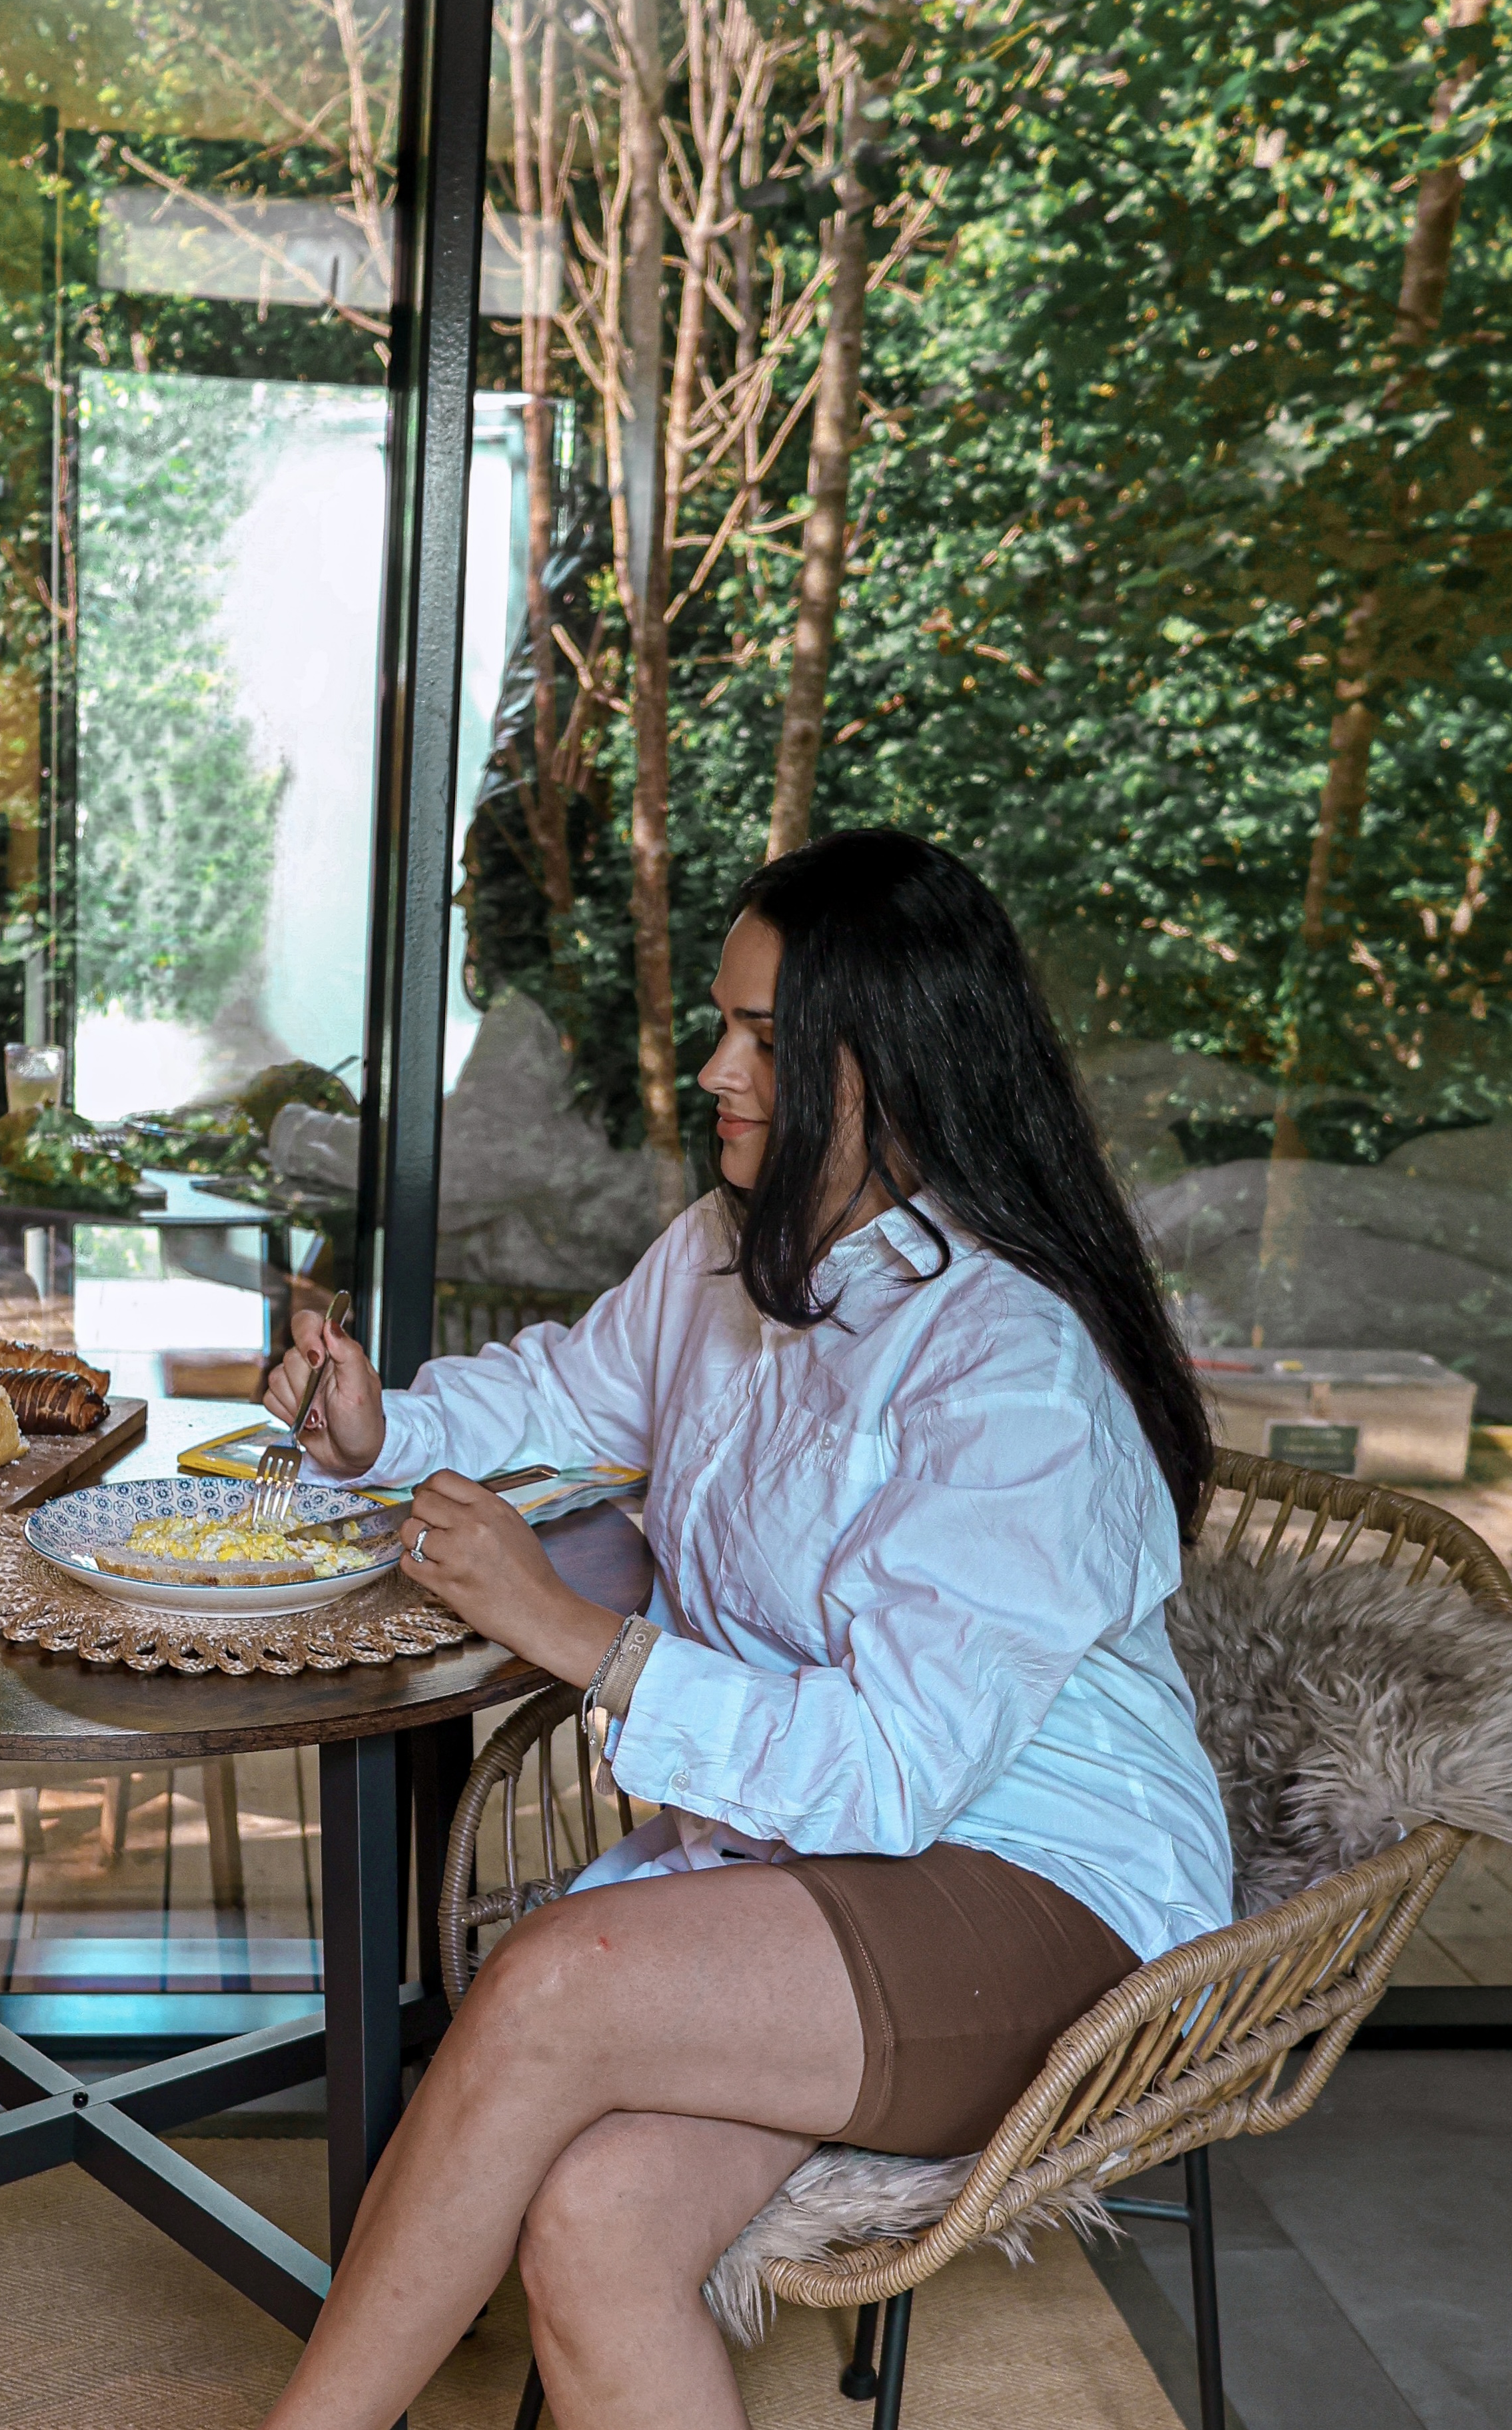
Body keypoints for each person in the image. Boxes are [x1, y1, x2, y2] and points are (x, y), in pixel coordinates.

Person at [253, 828, 1233, 2430]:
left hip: (1041, 1888)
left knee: (557, 1983)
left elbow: (895, 1772)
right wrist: (380, 1433)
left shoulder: (1013, 1366)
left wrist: (575, 1634)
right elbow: (562, 1393)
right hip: (811, 1868)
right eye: (724, 1025)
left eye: (768, 1041)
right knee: (598, 2220)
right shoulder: (730, 1248)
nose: (715, 1070)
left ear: (894, 1065)